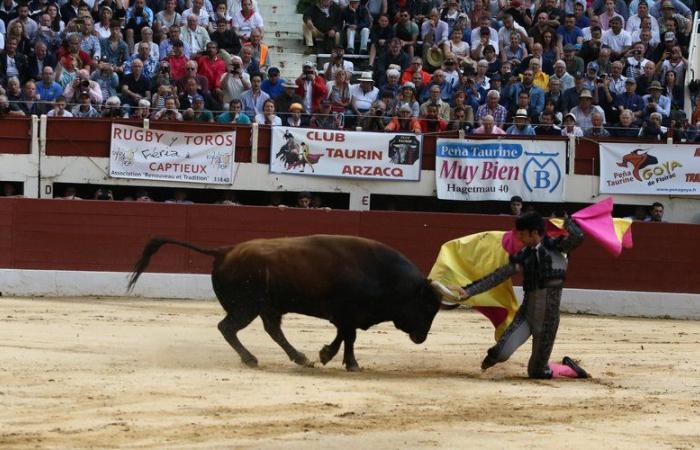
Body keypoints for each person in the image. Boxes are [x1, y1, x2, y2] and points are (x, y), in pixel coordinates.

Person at [453, 211, 589, 379]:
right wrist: (469, 291)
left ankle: (569, 369)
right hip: (526, 316)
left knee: (537, 372)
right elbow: (498, 276)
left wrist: (568, 222)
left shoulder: (558, 247)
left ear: (534, 233)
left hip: (548, 322)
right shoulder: (523, 256)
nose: (519, 238)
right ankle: (492, 358)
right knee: (500, 353)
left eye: (522, 234)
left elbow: (578, 236)